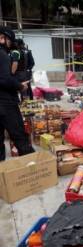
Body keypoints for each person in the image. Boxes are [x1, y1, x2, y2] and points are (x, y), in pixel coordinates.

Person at [0, 27, 34, 160]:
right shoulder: (2, 54)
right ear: (4, 38)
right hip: (5, 102)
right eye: (9, 40)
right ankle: (33, 170)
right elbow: (4, 79)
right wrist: (20, 86)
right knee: (19, 135)